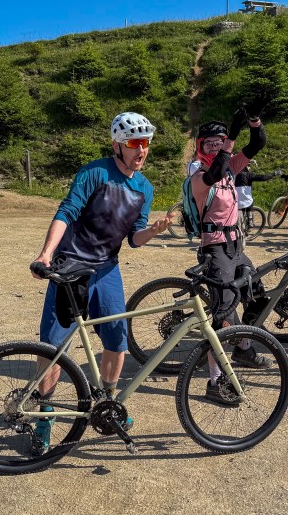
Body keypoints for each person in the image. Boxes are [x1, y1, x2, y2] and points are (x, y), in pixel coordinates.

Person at [29, 111, 174, 453]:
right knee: (53, 349)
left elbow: (134, 239)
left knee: (116, 341)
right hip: (71, 269)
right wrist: (46, 254)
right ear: (117, 145)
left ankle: (107, 404)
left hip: (107, 270)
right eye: (135, 143)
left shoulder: (144, 187)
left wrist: (153, 230)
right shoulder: (95, 172)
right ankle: (44, 418)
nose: (142, 150)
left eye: (147, 144)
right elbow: (67, 211)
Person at [188, 97, 270, 405]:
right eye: (208, 143)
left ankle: (244, 347)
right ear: (200, 147)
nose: (214, 147)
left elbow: (258, 142)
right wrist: (230, 138)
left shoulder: (232, 168)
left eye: (218, 142)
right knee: (222, 316)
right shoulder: (199, 176)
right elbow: (216, 170)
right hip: (215, 249)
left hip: (237, 247)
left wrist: (253, 120)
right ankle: (215, 382)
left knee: (258, 298)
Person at [235, 160, 281, 229]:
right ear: (245, 167)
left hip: (235, 202)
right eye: (249, 166)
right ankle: (250, 220)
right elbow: (263, 177)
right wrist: (274, 173)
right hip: (245, 202)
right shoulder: (249, 175)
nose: (249, 168)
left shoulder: (233, 174)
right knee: (249, 200)